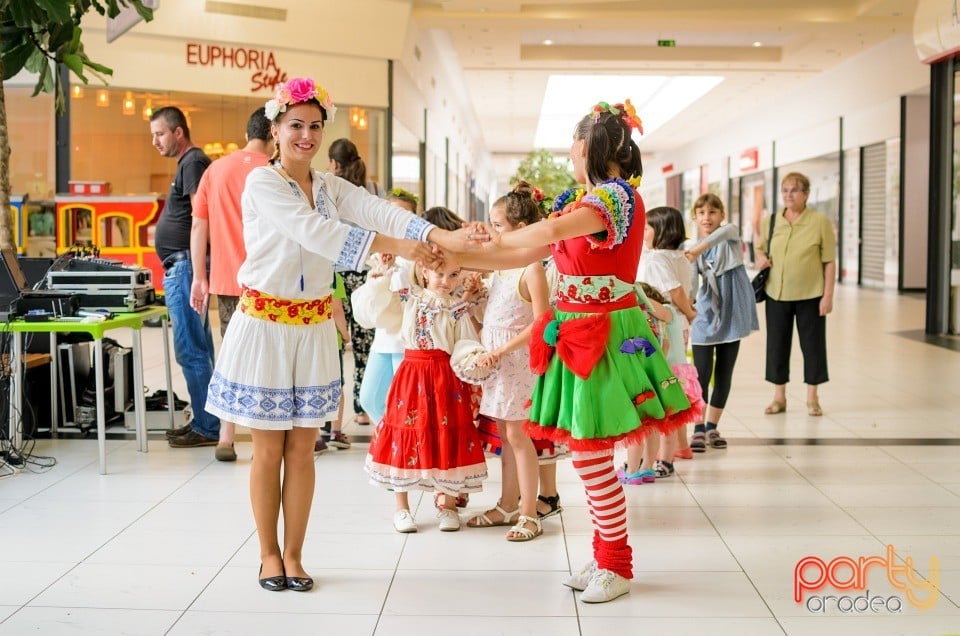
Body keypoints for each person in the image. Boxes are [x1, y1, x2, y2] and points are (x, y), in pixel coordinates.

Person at [202, 77, 478, 592]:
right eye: (295, 126)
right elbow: (316, 232)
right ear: (276, 130)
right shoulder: (263, 183)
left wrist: (435, 235)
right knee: (267, 450)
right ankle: (267, 555)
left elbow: (376, 209)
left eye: (314, 127)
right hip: (265, 327)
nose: (306, 135)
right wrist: (403, 247)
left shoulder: (329, 186)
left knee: (303, 450)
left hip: (310, 328)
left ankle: (295, 554)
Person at [454, 100, 699, 603]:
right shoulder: (592, 199)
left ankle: (616, 563)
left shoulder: (615, 198)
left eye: (573, 145)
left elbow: (542, 235)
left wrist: (465, 245)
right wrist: (454, 251)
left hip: (603, 337)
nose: (570, 154)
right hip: (577, 333)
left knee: (589, 455)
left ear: (590, 146)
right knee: (587, 458)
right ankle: (608, 556)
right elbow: (531, 250)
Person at [363, 260, 489, 534]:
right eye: (439, 274)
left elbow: (464, 343)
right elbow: (381, 312)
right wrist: (381, 278)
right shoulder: (408, 298)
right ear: (424, 271)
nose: (445, 280)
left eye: (453, 274)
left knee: (446, 434)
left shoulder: (457, 309)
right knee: (404, 435)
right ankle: (402, 508)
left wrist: (474, 359)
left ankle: (449, 504)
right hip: (412, 375)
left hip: (446, 378)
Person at [464, 182, 552, 542]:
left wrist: (501, 351)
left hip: (517, 364)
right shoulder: (501, 269)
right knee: (505, 435)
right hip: (498, 366)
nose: (492, 231)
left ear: (520, 230)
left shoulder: (531, 268)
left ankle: (530, 513)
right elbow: (497, 317)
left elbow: (541, 323)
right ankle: (507, 502)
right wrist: (474, 302)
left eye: (498, 225)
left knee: (518, 435)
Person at [189, 106, 274, 461]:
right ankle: (268, 433)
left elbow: (199, 227)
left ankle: (226, 436)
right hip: (272, 279)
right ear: (273, 136)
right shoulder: (274, 171)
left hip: (227, 280)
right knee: (271, 355)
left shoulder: (215, 169)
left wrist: (199, 276)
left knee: (232, 355)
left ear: (246, 134)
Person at [149, 106, 220, 448]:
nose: (155, 141)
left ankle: (208, 426)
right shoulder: (188, 163)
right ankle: (207, 420)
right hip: (185, 266)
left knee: (190, 349)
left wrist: (197, 274)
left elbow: (201, 216)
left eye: (160, 133)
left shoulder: (192, 162)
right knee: (199, 348)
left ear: (178, 132)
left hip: (185, 267)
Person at [755, 172, 836, 417]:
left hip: (811, 294)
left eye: (794, 190)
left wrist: (828, 296)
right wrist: (760, 257)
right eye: (785, 190)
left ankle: (813, 397)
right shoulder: (770, 221)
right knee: (777, 346)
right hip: (776, 294)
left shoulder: (819, 221)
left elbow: (829, 261)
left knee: (813, 346)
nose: (788, 195)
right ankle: (779, 397)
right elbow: (759, 247)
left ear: (806, 194)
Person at [684, 193, 758, 450]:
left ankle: (713, 427)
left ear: (721, 215)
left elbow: (722, 233)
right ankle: (698, 428)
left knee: (725, 372)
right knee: (701, 373)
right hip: (707, 308)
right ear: (695, 216)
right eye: (701, 213)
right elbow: (693, 282)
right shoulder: (691, 247)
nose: (707, 217)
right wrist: (689, 306)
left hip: (733, 308)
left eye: (712, 212)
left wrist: (697, 249)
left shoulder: (730, 235)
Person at [634, 205, 698, 474]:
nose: (644, 232)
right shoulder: (679, 256)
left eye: (648, 228)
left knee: (664, 383)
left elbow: (676, 291)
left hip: (665, 323)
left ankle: (665, 452)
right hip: (677, 323)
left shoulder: (656, 258)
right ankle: (680, 444)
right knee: (674, 381)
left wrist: (689, 312)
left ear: (661, 231)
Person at [356, 189, 423, 428]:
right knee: (370, 398)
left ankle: (401, 449)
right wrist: (381, 274)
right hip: (383, 338)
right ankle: (392, 441)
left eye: (404, 216)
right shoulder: (378, 256)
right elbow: (370, 307)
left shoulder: (420, 256)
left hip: (407, 341)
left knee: (405, 402)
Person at [328, 138, 379, 426]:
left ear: (334, 164)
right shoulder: (374, 190)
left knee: (336, 342)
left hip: (335, 274)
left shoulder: (329, 190)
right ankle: (361, 408)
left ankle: (334, 413)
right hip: (365, 272)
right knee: (364, 342)